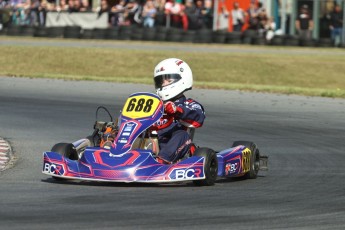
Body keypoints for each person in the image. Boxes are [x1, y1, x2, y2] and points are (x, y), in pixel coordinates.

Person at [152, 58, 205, 164]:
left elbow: (198, 118)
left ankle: (161, 162)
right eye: (160, 81)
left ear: (182, 79)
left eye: (168, 80)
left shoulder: (189, 104)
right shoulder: (153, 104)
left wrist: (177, 110)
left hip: (174, 147)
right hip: (151, 142)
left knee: (182, 134)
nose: (163, 84)